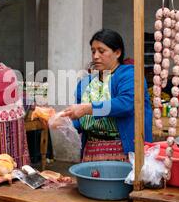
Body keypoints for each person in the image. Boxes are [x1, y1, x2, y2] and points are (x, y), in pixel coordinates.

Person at [62, 29, 153, 162]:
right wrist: (64, 122)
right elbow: (80, 121)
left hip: (124, 152)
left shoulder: (129, 75)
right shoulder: (86, 83)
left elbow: (126, 104)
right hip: (91, 153)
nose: (95, 56)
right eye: (93, 51)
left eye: (101, 51)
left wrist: (87, 108)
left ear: (117, 52)